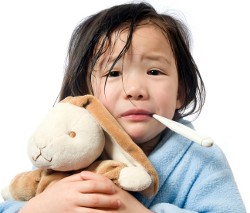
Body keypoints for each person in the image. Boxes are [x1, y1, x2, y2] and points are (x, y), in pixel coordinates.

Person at [0, 2, 246, 212]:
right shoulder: (66, 145)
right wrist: (37, 207)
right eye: (114, 73)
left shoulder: (200, 159)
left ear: (180, 93)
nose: (134, 89)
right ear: (87, 94)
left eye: (154, 71)